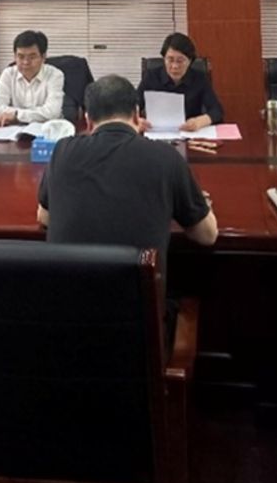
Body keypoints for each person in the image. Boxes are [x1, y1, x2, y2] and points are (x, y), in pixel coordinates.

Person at [38, 75, 218, 313]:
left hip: (65, 322)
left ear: (88, 121)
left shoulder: (62, 151)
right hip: (140, 328)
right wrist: (199, 202)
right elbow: (207, 235)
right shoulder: (166, 157)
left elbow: (45, 217)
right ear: (136, 115)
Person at [138, 32, 223, 132]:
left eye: (180, 61)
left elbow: (217, 110)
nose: (175, 66)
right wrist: (136, 120)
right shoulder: (151, 77)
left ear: (190, 61)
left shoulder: (199, 79)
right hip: (156, 133)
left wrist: (199, 122)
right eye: (170, 60)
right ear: (164, 58)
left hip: (189, 134)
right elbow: (132, 106)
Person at [0, 29, 65, 127]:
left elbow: (52, 112)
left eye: (32, 57)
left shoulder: (55, 75)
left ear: (43, 57)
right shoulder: (8, 74)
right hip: (12, 130)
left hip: (46, 130)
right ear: (14, 57)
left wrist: (16, 115)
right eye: (20, 57)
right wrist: (32, 115)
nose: (26, 62)